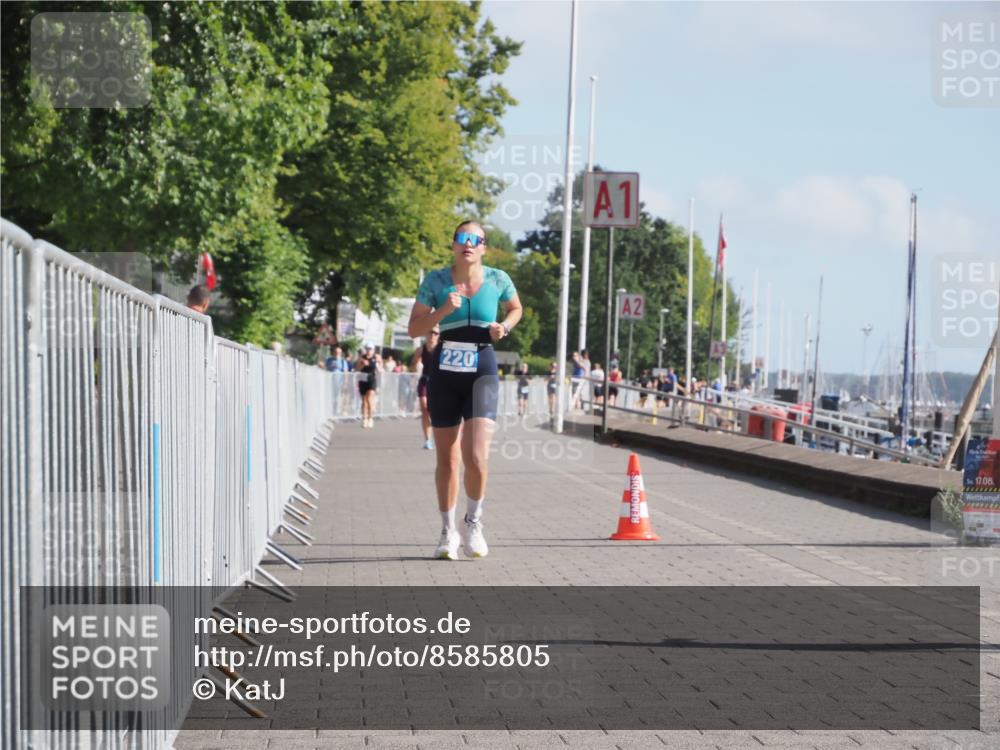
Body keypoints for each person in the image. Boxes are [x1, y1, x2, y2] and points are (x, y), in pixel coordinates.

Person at [407, 220, 523, 560]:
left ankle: (474, 522)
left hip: (482, 367)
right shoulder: (436, 281)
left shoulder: (498, 279)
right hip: (445, 368)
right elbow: (414, 327)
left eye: (476, 240)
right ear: (454, 244)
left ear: (484, 247)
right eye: (462, 238)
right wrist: (443, 310)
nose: (468, 244)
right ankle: (448, 532)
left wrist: (505, 326)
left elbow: (516, 309)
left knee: (476, 455)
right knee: (448, 458)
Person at [411, 327, 441, 449]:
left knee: (435, 412)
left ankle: (439, 437)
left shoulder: (441, 349)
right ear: (426, 334)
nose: (432, 335)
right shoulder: (421, 349)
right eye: (430, 332)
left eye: (435, 333)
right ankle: (428, 440)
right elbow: (412, 365)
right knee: (425, 410)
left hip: (438, 382)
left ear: (439, 335)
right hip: (424, 380)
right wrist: (415, 363)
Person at [358, 344, 379, 428]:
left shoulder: (376, 357)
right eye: (367, 349)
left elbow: (379, 368)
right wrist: (362, 365)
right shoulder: (361, 358)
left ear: (373, 350)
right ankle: (364, 418)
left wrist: (379, 368)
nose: (368, 350)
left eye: (370, 349)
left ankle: (370, 418)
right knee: (364, 400)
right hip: (363, 379)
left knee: (369, 399)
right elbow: (357, 369)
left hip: (371, 379)